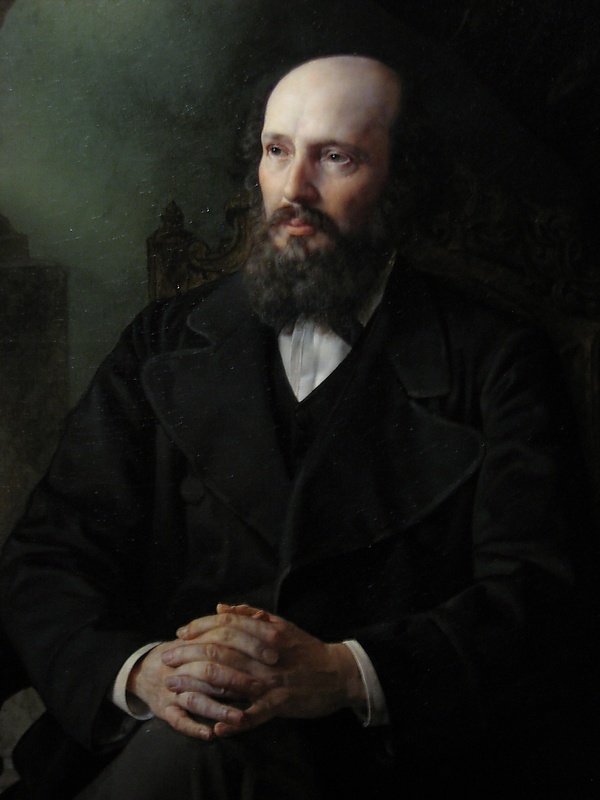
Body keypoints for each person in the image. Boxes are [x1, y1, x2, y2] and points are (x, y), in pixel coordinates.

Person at [0, 54, 586, 799]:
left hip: (375, 767)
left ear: (401, 182)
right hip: (155, 742)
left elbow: (538, 598)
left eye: (335, 158)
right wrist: (142, 673)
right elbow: (48, 556)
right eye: (277, 151)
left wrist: (345, 672)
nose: (293, 190)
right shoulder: (164, 340)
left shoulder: (497, 362)